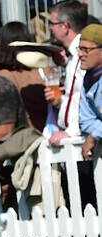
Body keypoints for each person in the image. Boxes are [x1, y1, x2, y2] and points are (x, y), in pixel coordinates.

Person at [46, 1, 88, 145]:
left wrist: (71, 132)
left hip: (81, 139)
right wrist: (58, 101)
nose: (50, 28)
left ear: (65, 26)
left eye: (53, 23)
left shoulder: (83, 55)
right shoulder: (71, 56)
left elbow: (88, 100)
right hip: (72, 137)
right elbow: (74, 98)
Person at [77, 24, 102, 161]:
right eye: (80, 49)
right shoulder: (88, 80)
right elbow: (86, 120)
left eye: (86, 50)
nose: (80, 54)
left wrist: (94, 135)